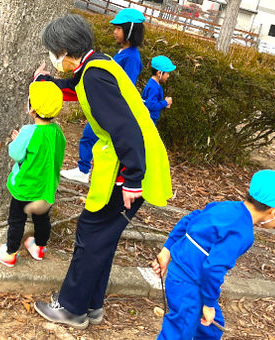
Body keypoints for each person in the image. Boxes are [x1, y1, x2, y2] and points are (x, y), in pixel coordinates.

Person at [33, 14, 172, 329]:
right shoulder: (95, 66)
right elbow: (75, 86)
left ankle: (70, 308)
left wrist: (133, 180)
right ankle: (91, 305)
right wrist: (48, 82)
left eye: (54, 52)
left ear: (66, 50)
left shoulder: (94, 76)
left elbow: (127, 129)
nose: (54, 59)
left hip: (128, 171)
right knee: (102, 239)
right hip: (128, 166)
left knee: (91, 236)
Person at [152, 169, 275, 339]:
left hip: (183, 274)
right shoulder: (242, 233)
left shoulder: (224, 206)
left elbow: (189, 220)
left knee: (212, 328)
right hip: (190, 284)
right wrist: (207, 304)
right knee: (178, 332)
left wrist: (166, 251)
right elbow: (213, 268)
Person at [0, 81, 66, 267]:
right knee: (42, 218)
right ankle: (39, 247)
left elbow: (16, 153)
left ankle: (10, 252)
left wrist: (17, 139)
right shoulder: (57, 132)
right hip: (45, 187)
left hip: (25, 187)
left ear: (32, 109)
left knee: (17, 220)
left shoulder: (28, 131)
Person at [60, 8, 145, 184]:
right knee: (90, 135)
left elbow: (124, 85)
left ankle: (86, 171)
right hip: (107, 106)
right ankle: (87, 170)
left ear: (130, 31)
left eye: (119, 29)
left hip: (111, 108)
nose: (114, 32)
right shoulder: (124, 53)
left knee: (92, 135)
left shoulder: (132, 58)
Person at [141, 55, 175, 125]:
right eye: (167, 73)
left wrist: (164, 103)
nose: (168, 76)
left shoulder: (154, 84)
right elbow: (152, 105)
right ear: (159, 73)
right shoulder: (153, 88)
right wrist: (165, 102)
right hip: (148, 122)